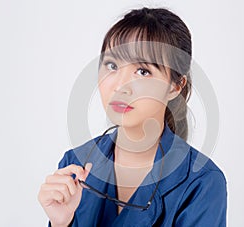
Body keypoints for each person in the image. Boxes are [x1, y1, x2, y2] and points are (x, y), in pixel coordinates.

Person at [38, 7, 227, 227]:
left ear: (176, 86)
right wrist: (62, 223)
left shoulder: (202, 184)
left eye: (143, 71)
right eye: (112, 65)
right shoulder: (75, 164)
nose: (120, 86)